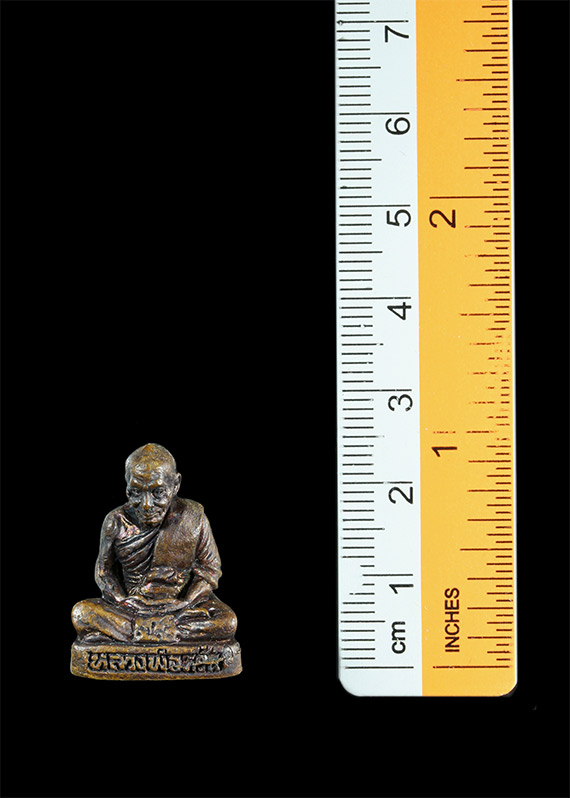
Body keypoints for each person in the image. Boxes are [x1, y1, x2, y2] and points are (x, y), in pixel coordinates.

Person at [72, 443, 237, 644]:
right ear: (127, 486)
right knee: (81, 613)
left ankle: (134, 633)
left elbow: (210, 571)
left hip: (180, 607)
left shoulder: (193, 517)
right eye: (135, 492)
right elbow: (103, 571)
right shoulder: (115, 521)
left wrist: (186, 602)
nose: (146, 504)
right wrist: (122, 600)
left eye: (158, 492)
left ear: (175, 485)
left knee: (227, 621)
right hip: (132, 608)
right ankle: (164, 632)